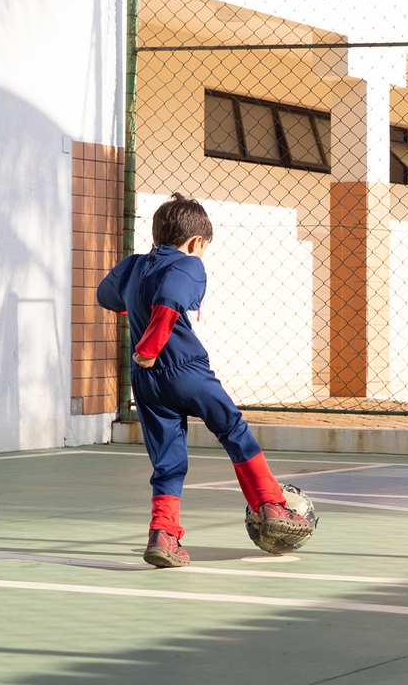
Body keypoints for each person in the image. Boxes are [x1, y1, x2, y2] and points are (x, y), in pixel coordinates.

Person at [97, 193, 310, 567]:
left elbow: (105, 295)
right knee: (233, 430)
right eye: (203, 248)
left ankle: (164, 535)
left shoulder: (133, 266)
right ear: (196, 242)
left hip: (147, 383)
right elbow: (169, 301)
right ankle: (272, 506)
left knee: (168, 461)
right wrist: (150, 344)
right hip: (186, 371)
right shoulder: (190, 265)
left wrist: (135, 288)